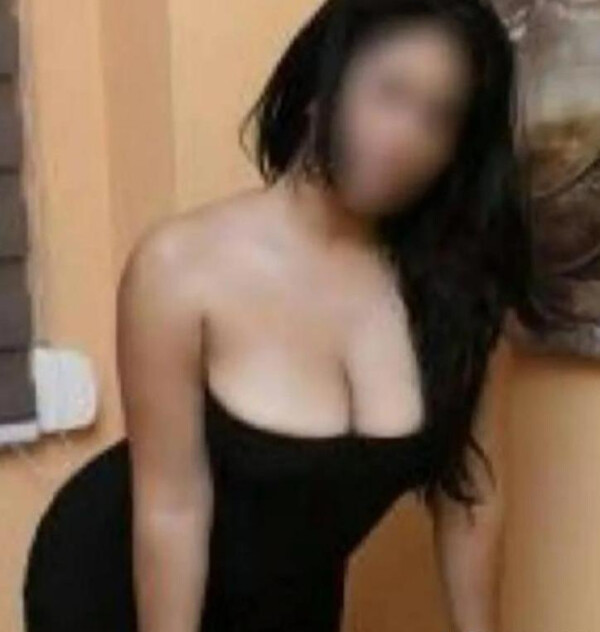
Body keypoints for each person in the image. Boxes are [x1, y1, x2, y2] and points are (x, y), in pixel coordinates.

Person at [116, 1, 538, 631]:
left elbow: (472, 497)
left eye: (439, 117)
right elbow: (171, 509)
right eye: (389, 93)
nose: (406, 137)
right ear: (322, 81)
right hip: (128, 594)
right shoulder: (179, 265)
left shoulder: (464, 296)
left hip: (294, 601)